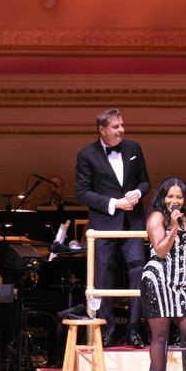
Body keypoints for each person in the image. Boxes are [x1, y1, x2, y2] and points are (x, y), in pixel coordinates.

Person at [75, 108, 151, 349]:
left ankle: (133, 329)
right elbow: (82, 192)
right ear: (102, 130)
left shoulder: (134, 148)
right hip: (103, 223)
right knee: (103, 275)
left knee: (138, 270)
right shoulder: (86, 155)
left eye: (122, 125)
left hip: (133, 223)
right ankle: (107, 329)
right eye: (116, 127)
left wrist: (138, 193)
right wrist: (114, 203)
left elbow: (145, 181)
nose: (121, 130)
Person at [142, 177, 186, 371]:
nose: (174, 200)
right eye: (170, 196)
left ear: (185, 198)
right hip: (158, 282)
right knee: (160, 336)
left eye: (179, 196)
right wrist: (174, 228)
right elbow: (160, 250)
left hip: (180, 285)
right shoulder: (157, 217)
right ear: (163, 197)